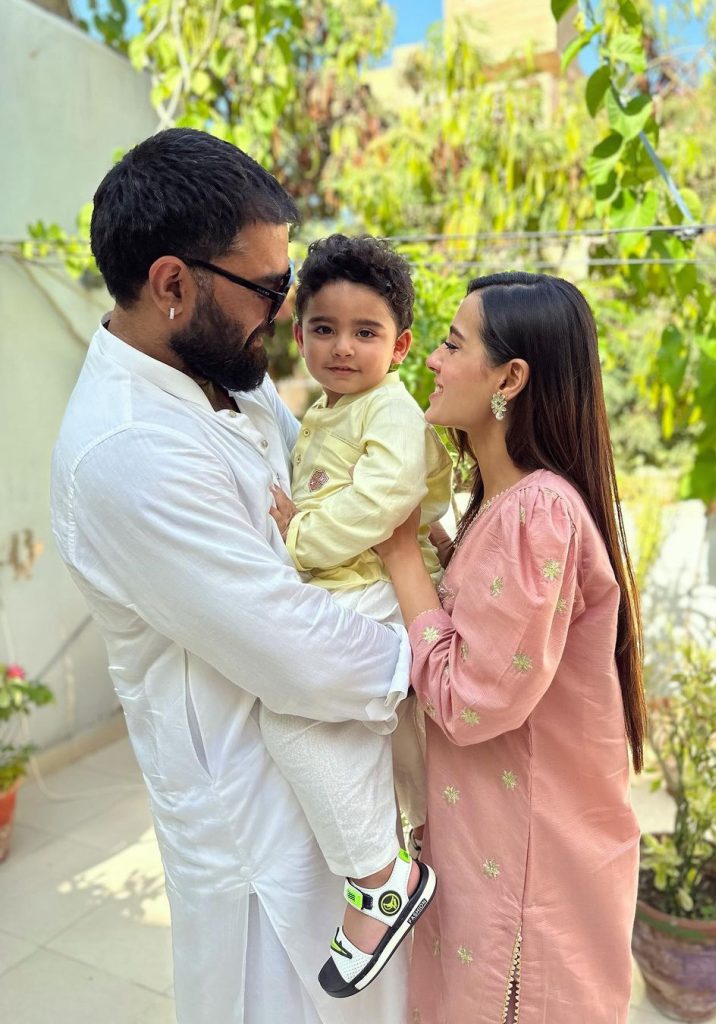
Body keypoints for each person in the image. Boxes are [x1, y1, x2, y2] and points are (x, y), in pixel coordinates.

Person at [49, 128, 411, 1024]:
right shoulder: (128, 452)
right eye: (270, 288)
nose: (289, 314)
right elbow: (297, 650)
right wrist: (439, 655)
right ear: (173, 284)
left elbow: (319, 507)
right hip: (254, 828)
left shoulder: (229, 376)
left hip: (329, 778)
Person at [375, 272, 647, 1024]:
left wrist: (401, 559)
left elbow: (470, 700)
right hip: (495, 860)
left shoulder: (536, 514)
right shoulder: (507, 506)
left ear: (510, 378)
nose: (429, 358)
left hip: (526, 890)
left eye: (452, 343)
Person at [260, 234, 450, 998]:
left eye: (365, 332)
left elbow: (382, 501)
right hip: (347, 579)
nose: (342, 347)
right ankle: (386, 863)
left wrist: (296, 536)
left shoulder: (390, 408)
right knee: (354, 736)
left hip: (373, 581)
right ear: (297, 331)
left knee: (294, 718)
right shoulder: (331, 407)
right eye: (324, 328)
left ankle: (380, 880)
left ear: (400, 345)